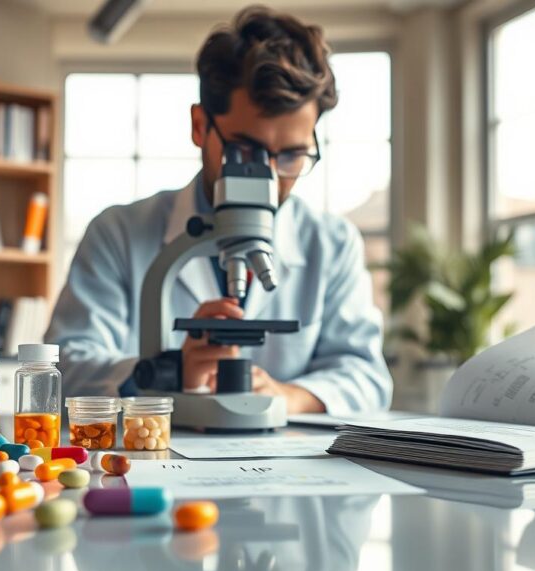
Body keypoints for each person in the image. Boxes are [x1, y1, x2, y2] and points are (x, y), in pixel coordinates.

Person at [45, 6, 391, 414]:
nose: (269, 177)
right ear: (199, 126)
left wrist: (286, 396)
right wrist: (169, 372)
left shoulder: (333, 243)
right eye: (245, 151)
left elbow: (366, 377)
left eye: (292, 156)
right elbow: (65, 367)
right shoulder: (117, 232)